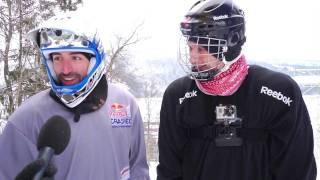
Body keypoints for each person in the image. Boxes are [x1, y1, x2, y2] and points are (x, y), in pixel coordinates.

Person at [156, 0, 317, 179]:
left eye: (201, 49)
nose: (193, 58)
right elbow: (169, 170)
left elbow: (297, 169)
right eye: (190, 48)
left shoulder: (279, 92)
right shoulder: (178, 95)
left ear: (231, 43)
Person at [0, 13, 150, 180]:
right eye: (57, 58)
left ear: (94, 60)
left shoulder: (125, 104)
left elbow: (138, 169)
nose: (65, 69)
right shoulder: (25, 119)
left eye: (75, 57)